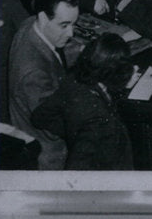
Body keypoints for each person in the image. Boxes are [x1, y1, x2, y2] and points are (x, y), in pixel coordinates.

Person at [30, 33, 135, 170]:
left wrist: (73, 129)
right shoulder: (100, 121)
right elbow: (77, 169)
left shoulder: (72, 81)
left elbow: (40, 117)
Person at [8, 0, 79, 170]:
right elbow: (54, 127)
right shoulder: (33, 74)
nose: (71, 33)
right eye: (64, 25)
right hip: (50, 154)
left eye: (73, 24)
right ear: (43, 17)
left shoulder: (31, 24)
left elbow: (53, 55)